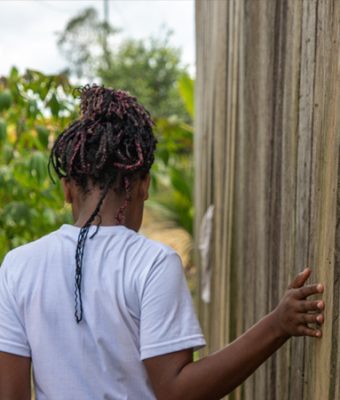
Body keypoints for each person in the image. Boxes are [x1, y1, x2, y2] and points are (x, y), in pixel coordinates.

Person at [0, 85, 325, 400]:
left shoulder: (18, 266)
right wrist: (277, 325)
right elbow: (177, 391)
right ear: (143, 185)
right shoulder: (152, 263)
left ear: (68, 188)